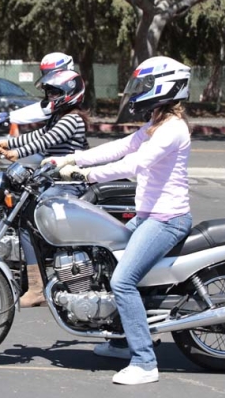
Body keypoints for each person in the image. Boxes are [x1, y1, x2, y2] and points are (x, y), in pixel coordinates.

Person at [51, 56, 193, 385]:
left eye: (144, 86)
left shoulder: (172, 129)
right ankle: (122, 340)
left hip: (167, 220)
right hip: (147, 217)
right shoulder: (157, 123)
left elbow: (135, 164)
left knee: (122, 281)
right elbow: (120, 147)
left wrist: (86, 175)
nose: (138, 93)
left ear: (164, 87)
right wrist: (71, 157)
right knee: (106, 262)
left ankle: (144, 361)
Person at [0, 68, 89, 308]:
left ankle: (38, 287)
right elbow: (37, 135)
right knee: (23, 211)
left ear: (69, 93)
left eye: (54, 92)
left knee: (34, 215)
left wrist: (14, 153)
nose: (50, 97)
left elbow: (46, 141)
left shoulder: (72, 119)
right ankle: (35, 282)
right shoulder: (60, 117)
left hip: (69, 183)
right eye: (49, 92)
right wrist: (5, 142)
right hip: (54, 178)